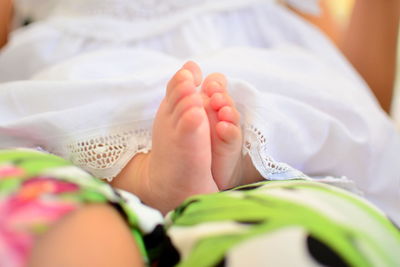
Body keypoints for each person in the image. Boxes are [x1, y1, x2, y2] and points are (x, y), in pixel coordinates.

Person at [0, 0, 400, 265]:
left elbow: (337, 70)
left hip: (97, 75)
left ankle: (218, 167)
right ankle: (155, 175)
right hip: (92, 63)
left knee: (283, 107)